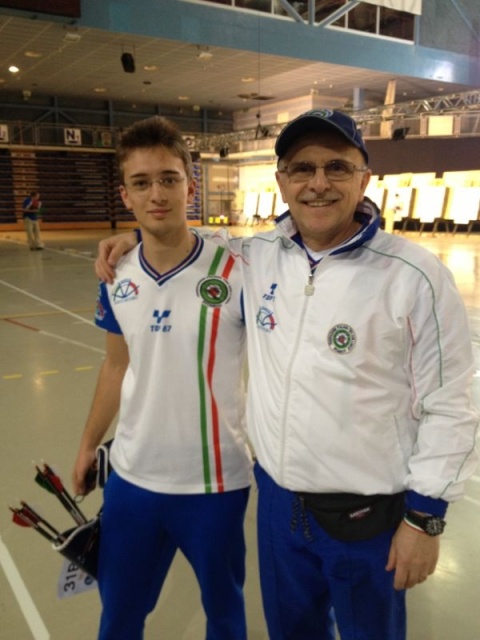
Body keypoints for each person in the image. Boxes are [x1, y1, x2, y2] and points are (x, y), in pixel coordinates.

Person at [95, 109, 479, 640]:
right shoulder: (258, 256)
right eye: (302, 169)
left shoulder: (415, 276)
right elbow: (178, 241)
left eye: (337, 167)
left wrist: (425, 518)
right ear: (282, 182)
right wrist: (132, 242)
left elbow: (452, 403)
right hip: (278, 507)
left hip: (367, 516)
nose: (318, 183)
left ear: (364, 178)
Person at [72, 116, 252, 640]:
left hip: (216, 483)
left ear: (190, 187)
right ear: (125, 195)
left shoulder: (238, 266)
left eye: (169, 179)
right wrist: (87, 445)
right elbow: (114, 364)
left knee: (225, 617)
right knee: (120, 617)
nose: (157, 194)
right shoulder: (115, 275)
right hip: (131, 481)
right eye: (142, 182)